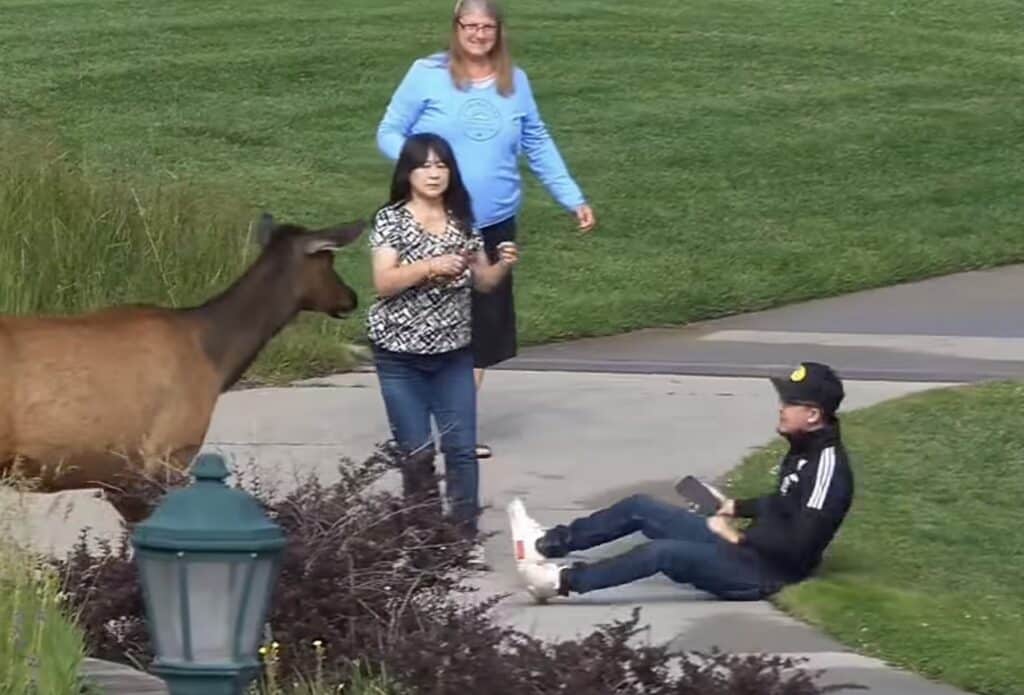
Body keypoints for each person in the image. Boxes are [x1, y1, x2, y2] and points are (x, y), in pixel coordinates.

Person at [376, 0, 596, 458]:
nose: (478, 34)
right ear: (456, 28)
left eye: (487, 27)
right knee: (424, 322)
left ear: (499, 31)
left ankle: (455, 433)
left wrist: (571, 197)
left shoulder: (514, 82)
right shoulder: (427, 74)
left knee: (479, 329)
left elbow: (537, 141)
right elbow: (390, 131)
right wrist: (425, 169)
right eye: (470, 26)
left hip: (494, 223)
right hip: (434, 221)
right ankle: (416, 431)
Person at [507, 362, 854, 602]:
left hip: (764, 572)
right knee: (641, 507)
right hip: (747, 550)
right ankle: (543, 544)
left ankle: (557, 582)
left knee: (663, 553)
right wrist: (734, 507)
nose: (781, 407)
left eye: (790, 402)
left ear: (812, 415)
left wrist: (735, 534)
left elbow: (800, 547)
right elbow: (783, 503)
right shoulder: (802, 447)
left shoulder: (827, 468)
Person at [367, 132, 519, 557]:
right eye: (425, 166)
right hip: (399, 356)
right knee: (416, 452)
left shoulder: (461, 221)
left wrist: (502, 265)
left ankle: (464, 540)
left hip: (453, 353)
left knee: (461, 450)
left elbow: (482, 281)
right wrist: (432, 266)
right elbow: (383, 283)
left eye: (441, 165)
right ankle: (424, 537)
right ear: (408, 173)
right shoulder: (391, 220)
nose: (434, 174)